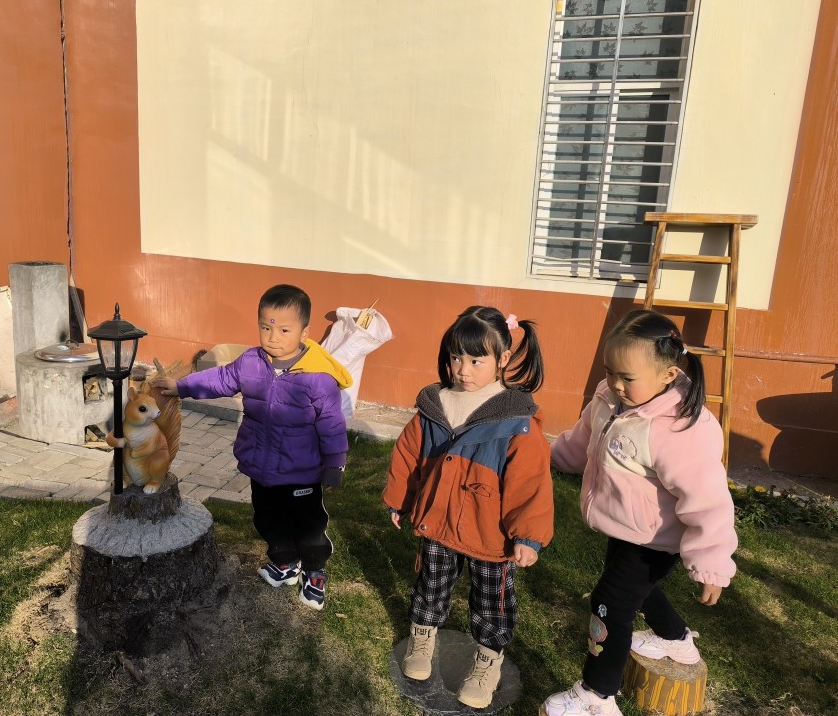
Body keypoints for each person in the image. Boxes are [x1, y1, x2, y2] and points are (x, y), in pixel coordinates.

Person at [540, 309, 738, 716]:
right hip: (628, 527)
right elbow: (582, 441)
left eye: (627, 377)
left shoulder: (679, 429)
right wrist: (549, 457)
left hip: (657, 538)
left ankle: (597, 695)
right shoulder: (609, 398)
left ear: (668, 375)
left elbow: (709, 500)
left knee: (609, 602)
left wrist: (712, 562)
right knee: (634, 591)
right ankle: (675, 639)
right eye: (609, 371)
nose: (616, 383)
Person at [383, 306, 553, 709]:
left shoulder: (515, 418)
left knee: (492, 600)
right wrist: (400, 500)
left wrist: (527, 536)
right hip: (437, 522)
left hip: (490, 535)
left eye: (476, 360)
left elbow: (530, 483)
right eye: (456, 357)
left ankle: (487, 661)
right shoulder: (435, 405)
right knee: (431, 583)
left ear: (503, 359)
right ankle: (422, 637)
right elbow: (408, 456)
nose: (463, 369)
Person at [153, 284, 352, 611]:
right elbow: (220, 379)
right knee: (268, 518)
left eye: (284, 330)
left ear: (304, 332)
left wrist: (335, 464)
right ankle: (286, 563)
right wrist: (181, 386)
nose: (273, 337)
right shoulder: (251, 362)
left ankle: (314, 571)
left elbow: (331, 423)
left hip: (301, 471)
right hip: (261, 467)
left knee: (308, 525)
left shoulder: (318, 377)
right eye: (266, 327)